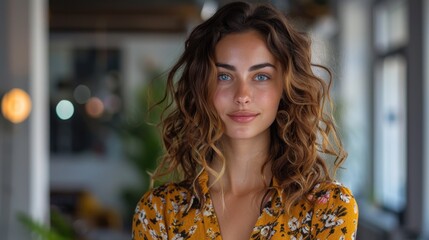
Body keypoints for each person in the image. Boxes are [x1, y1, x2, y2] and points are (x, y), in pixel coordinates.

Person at [132, 1, 358, 239]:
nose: (242, 96)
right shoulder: (160, 211)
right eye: (224, 76)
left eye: (261, 76)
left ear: (285, 87)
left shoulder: (327, 209)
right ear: (201, 87)